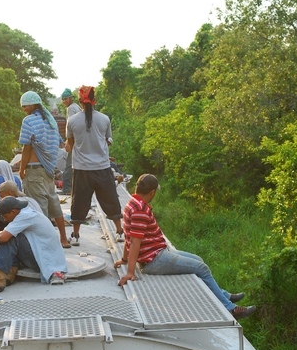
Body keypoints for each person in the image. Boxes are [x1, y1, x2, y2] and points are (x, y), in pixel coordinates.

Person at [114, 174, 256, 320]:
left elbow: (128, 237)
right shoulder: (140, 209)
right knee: (202, 268)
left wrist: (125, 259)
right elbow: (135, 241)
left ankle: (224, 295)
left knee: (198, 260)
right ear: (152, 192)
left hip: (158, 252)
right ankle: (230, 309)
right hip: (154, 260)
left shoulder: (131, 203)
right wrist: (130, 272)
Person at [66, 85, 124, 246]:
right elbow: (108, 140)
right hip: (102, 168)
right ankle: (119, 232)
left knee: (78, 202)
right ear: (94, 100)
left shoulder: (72, 121)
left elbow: (71, 143)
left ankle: (76, 235)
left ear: (79, 101)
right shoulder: (104, 119)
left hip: (81, 169)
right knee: (111, 199)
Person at [0, 197, 68, 291]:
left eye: (5, 216)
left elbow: (3, 238)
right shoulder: (25, 212)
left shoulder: (24, 216)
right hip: (47, 257)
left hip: (45, 262)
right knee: (11, 235)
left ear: (13, 211)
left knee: (11, 238)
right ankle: (8, 274)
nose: (5, 220)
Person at [18, 91, 71, 248]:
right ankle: (63, 239)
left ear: (33, 104)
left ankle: (47, 244)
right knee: (54, 204)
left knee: (38, 209)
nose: (23, 109)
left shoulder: (28, 121)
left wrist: (21, 169)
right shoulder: (50, 121)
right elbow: (58, 144)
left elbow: (26, 148)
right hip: (48, 169)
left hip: (34, 170)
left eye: (25, 106)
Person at [61, 88, 82, 195]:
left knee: (69, 165)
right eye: (63, 100)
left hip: (74, 140)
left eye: (66, 99)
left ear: (71, 98)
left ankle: (66, 189)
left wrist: (69, 142)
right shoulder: (77, 107)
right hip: (80, 140)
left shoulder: (71, 109)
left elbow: (72, 126)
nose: (64, 101)